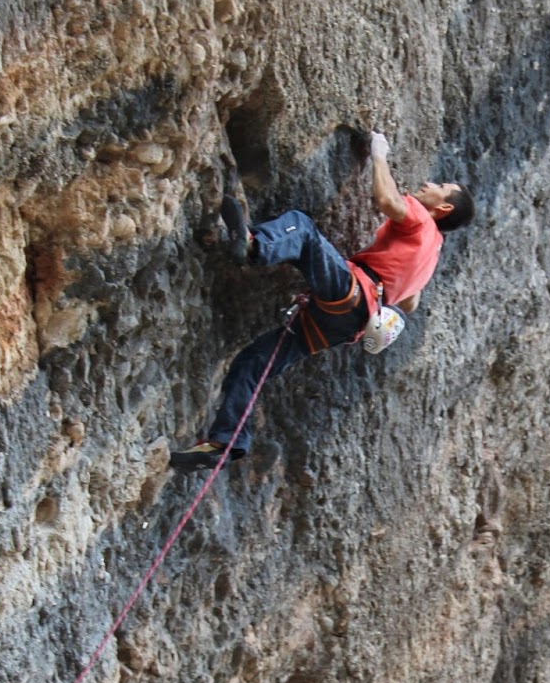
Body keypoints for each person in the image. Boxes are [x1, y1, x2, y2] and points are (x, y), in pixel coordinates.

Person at [169, 132, 474, 469]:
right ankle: (224, 444)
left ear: (442, 208)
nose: (429, 183)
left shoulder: (422, 221)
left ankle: (255, 246)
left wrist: (378, 155)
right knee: (254, 362)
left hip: (353, 293)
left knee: (302, 230)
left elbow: (388, 201)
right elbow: (410, 304)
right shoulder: (431, 257)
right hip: (344, 327)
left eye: (439, 186)